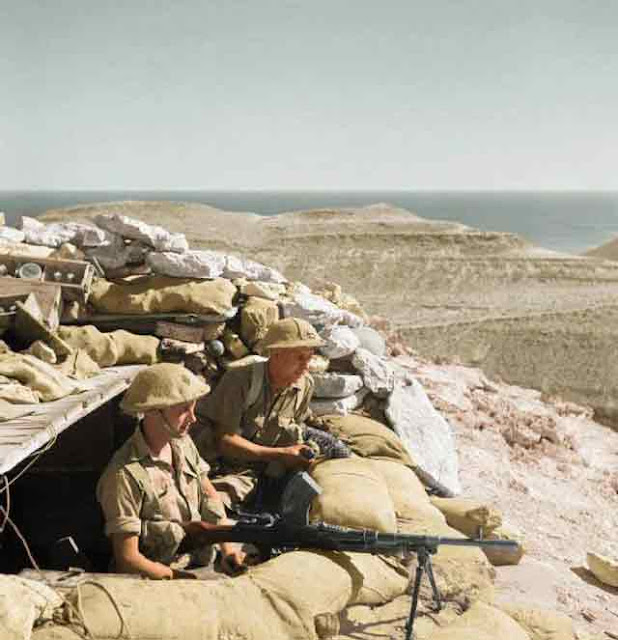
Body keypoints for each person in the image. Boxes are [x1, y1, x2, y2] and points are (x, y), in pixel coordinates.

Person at [96, 363, 245, 579]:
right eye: (183, 409)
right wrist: (184, 581)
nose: (193, 418)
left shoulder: (182, 444)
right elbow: (128, 559)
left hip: (201, 562)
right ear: (153, 412)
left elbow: (208, 493)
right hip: (158, 578)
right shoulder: (124, 475)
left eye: (193, 407)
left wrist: (228, 548)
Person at [195, 317, 349, 509]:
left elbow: (297, 425)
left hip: (262, 472)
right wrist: (279, 454)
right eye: (299, 357)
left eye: (310, 357)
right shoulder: (241, 379)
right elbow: (225, 441)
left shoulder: (305, 385)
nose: (306, 365)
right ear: (276, 354)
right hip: (220, 467)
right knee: (213, 506)